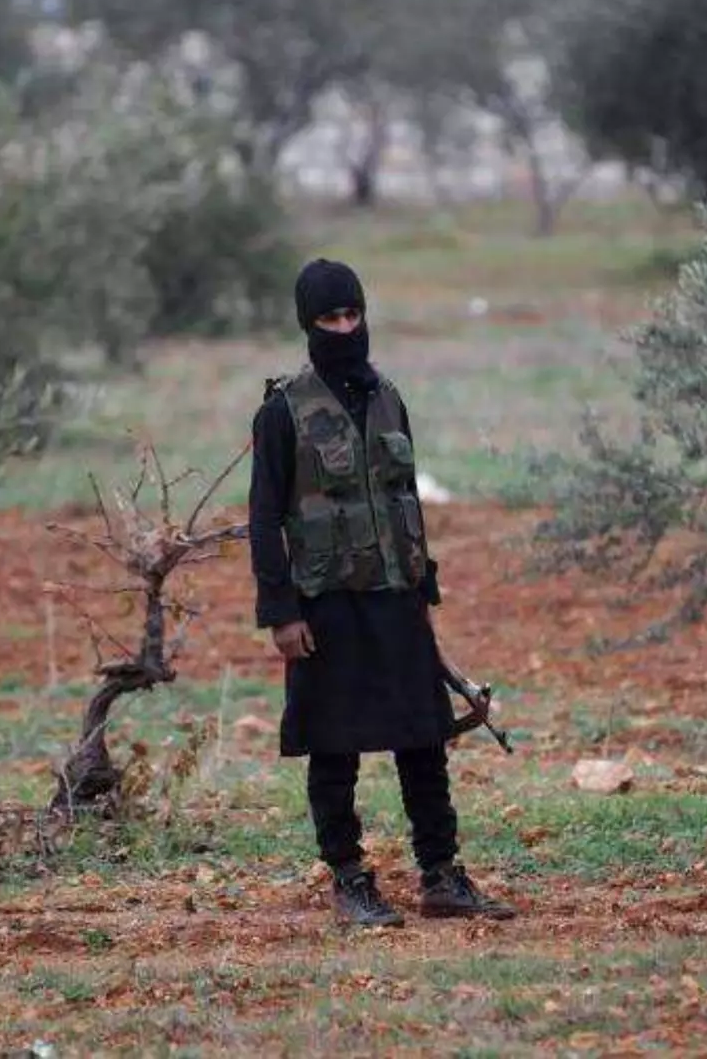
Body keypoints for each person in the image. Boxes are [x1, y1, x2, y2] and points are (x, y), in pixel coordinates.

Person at [247, 257, 516, 928]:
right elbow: (261, 519)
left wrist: (425, 589)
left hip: (397, 600)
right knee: (333, 747)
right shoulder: (283, 412)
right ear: (308, 325)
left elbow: (406, 502)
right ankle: (348, 880)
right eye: (330, 318)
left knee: (423, 741)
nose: (345, 327)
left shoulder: (390, 397)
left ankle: (442, 877)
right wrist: (279, 613)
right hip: (325, 606)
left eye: (353, 314)